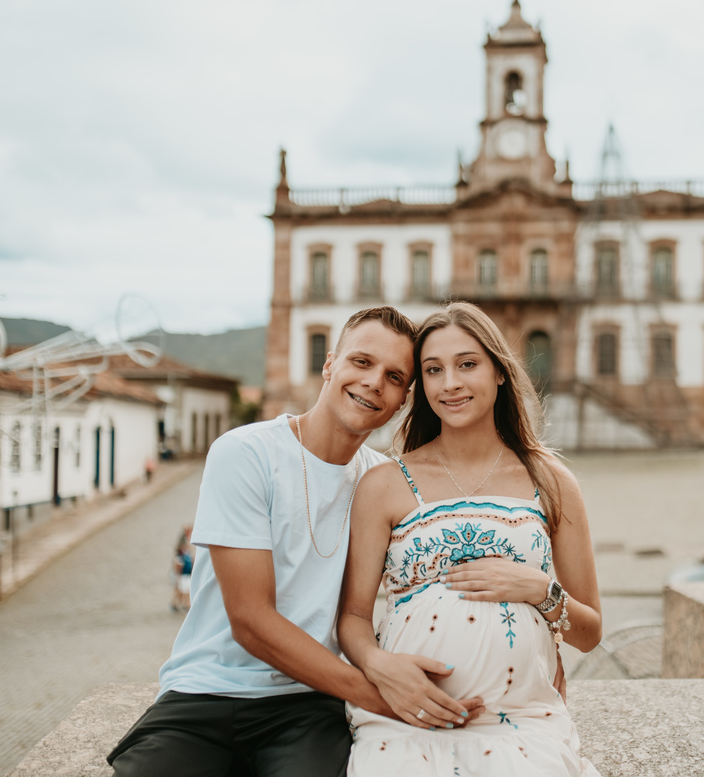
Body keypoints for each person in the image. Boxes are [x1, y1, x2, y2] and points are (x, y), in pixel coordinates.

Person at [108, 306, 483, 777]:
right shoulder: (246, 453)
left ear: (404, 400)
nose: (373, 383)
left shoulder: (383, 482)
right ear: (330, 365)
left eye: (393, 377)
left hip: (307, 701)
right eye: (361, 362)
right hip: (204, 691)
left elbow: (422, 591)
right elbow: (250, 620)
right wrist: (382, 696)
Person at [338, 302, 603, 776]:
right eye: (433, 370)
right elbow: (354, 617)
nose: (450, 384)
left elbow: (589, 633)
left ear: (499, 372)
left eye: (467, 364)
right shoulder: (384, 484)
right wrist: (379, 666)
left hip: (523, 722)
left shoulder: (552, 481)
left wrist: (539, 590)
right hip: (406, 716)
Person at [170, 524, 194, 613]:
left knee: (182, 591)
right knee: (183, 590)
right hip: (183, 574)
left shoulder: (186, 553)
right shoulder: (181, 554)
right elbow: (178, 566)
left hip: (185, 573)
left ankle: (178, 604)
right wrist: (177, 576)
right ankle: (183, 604)